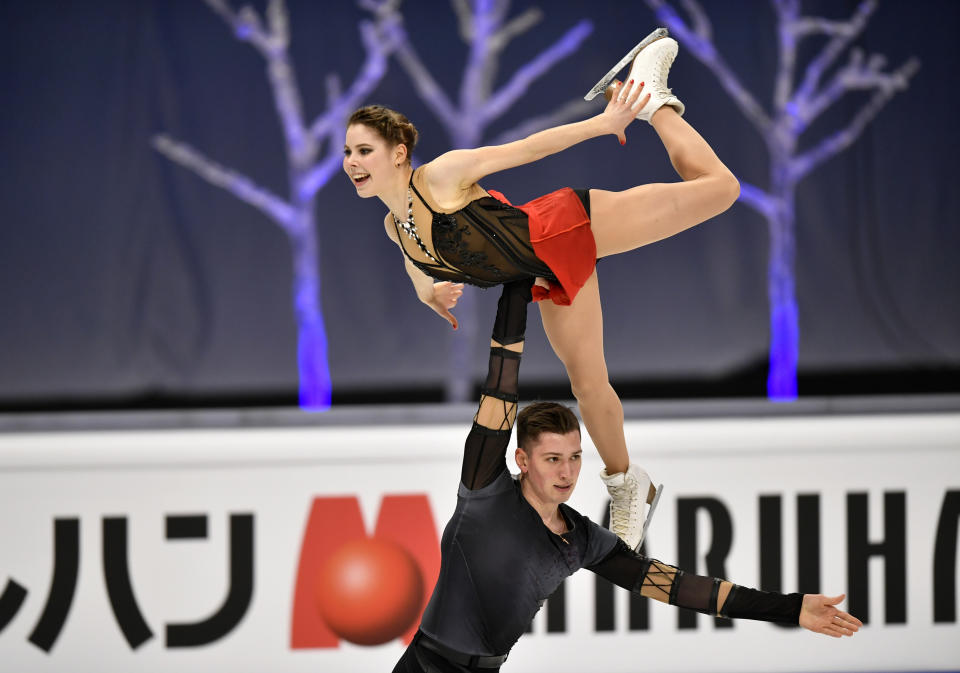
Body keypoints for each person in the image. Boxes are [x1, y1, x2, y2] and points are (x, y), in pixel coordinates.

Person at [344, 33, 741, 549]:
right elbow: (416, 268)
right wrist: (430, 295)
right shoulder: (396, 229)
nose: (352, 161)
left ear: (399, 154)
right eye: (348, 152)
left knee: (721, 189)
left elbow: (526, 149)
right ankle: (627, 486)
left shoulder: (441, 177)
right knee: (588, 384)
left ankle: (652, 96)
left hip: (564, 227)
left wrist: (603, 123)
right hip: (545, 276)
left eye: (364, 150)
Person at [391, 280, 862, 673]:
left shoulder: (581, 540)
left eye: (575, 457)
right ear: (522, 460)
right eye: (553, 459)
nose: (568, 471)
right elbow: (500, 386)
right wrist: (515, 290)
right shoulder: (484, 490)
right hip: (425, 665)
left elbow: (678, 587)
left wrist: (791, 607)